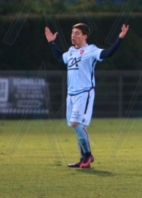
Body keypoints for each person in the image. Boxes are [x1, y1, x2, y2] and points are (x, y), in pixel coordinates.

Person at [44, 23, 129, 168]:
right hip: (71, 95)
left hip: (84, 93)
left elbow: (107, 53)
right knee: (77, 126)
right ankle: (84, 158)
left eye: (77, 33)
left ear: (85, 36)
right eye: (72, 33)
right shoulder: (71, 52)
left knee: (76, 123)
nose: (73, 36)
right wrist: (52, 43)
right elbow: (60, 57)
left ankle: (88, 155)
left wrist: (120, 38)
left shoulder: (91, 50)